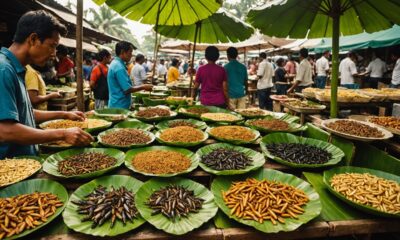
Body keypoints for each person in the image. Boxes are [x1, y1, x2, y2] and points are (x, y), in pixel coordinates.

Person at [0, 10, 93, 159]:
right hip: (10, 172)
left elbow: (26, 114)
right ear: (33, 39)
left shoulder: (17, 69)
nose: (54, 53)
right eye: (52, 45)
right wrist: (62, 134)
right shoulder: (4, 70)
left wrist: (64, 114)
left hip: (26, 165)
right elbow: (5, 130)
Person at [108, 41, 152, 109]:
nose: (131, 55)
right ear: (122, 52)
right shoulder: (118, 67)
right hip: (119, 106)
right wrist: (144, 86)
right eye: (130, 52)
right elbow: (127, 89)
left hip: (117, 103)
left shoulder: (116, 63)